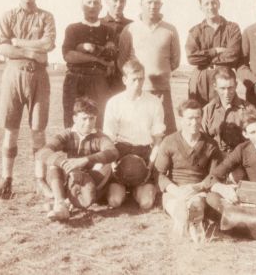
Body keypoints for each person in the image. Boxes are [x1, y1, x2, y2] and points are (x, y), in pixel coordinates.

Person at [0, 0, 56, 199]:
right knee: (11, 131)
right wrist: (29, 52)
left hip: (39, 77)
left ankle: (40, 179)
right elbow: (1, 47)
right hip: (13, 75)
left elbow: (47, 44)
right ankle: (6, 180)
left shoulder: (46, 17)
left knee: (38, 131)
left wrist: (18, 42)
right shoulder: (7, 16)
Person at [35, 97, 119, 221]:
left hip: (91, 180)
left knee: (105, 167)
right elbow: (43, 151)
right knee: (55, 163)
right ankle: (60, 205)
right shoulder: (67, 134)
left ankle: (66, 202)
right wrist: (62, 163)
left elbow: (113, 152)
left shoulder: (99, 136)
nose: (88, 123)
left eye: (92, 118)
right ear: (75, 119)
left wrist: (85, 160)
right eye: (84, 118)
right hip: (71, 178)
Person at [154, 99, 222, 242]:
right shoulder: (169, 141)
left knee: (196, 204)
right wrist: (176, 190)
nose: (194, 122)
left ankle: (195, 222)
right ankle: (181, 218)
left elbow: (214, 175)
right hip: (175, 190)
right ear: (181, 119)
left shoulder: (211, 145)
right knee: (177, 206)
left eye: (198, 117)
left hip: (199, 189)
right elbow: (160, 174)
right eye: (189, 118)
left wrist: (197, 187)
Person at [118, 0, 180, 135]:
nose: (153, 6)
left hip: (162, 91)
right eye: (149, 2)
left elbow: (175, 61)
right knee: (138, 133)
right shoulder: (130, 29)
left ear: (161, 5)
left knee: (164, 133)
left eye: (157, 3)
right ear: (141, 4)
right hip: (138, 91)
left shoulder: (170, 30)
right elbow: (122, 61)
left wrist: (159, 73)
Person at [103, 59, 165, 209]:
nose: (138, 83)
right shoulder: (114, 102)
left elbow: (157, 140)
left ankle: (139, 188)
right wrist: (113, 165)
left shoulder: (154, 102)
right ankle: (122, 188)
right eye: (134, 79)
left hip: (144, 153)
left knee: (146, 203)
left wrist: (150, 165)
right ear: (125, 80)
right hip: (120, 153)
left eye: (141, 79)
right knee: (114, 201)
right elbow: (108, 139)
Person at [62, 0, 116, 129]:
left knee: (99, 121)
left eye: (96, 2)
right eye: (88, 2)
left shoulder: (108, 31)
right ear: (82, 6)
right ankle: (73, 151)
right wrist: (98, 59)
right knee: (72, 121)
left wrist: (85, 47)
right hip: (74, 80)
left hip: (98, 80)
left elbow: (111, 55)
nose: (92, 6)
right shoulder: (72, 29)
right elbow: (68, 55)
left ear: (101, 7)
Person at [185, 0, 243, 107]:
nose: (210, 7)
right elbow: (191, 58)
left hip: (224, 80)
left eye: (213, 3)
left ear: (219, 4)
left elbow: (232, 55)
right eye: (206, 4)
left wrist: (206, 60)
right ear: (200, 7)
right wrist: (215, 51)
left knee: (224, 115)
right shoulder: (195, 31)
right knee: (199, 116)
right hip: (200, 81)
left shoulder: (232, 28)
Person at [202, 67, 247, 153]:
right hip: (215, 157)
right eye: (222, 88)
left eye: (230, 88)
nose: (227, 93)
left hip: (240, 158)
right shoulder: (208, 110)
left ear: (236, 85)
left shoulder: (247, 109)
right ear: (215, 87)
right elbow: (202, 139)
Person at [101, 0, 133, 94]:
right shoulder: (98, 23)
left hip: (124, 77)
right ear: (107, 1)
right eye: (115, 0)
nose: (119, 4)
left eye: (122, 1)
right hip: (101, 77)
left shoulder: (132, 25)